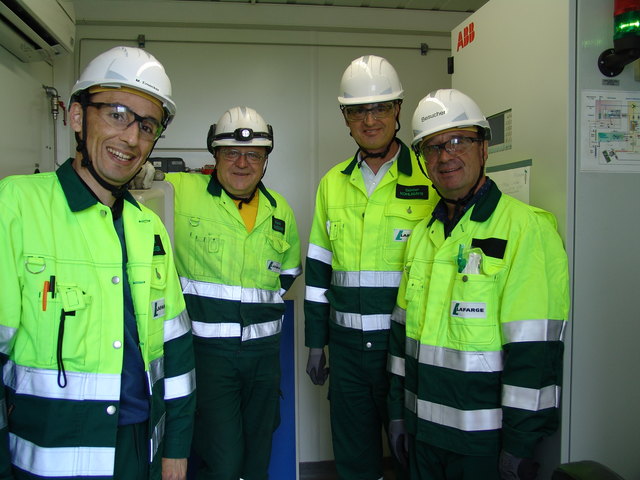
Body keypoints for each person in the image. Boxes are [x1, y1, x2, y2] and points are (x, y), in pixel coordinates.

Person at [0, 46, 196, 479]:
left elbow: (177, 354)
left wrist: (176, 451)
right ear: (75, 116)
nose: (132, 138)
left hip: (138, 452)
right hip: (46, 457)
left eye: (147, 125)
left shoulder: (150, 227)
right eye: (117, 114)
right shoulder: (14, 207)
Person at [387, 88, 570, 480]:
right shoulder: (423, 236)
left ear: (484, 147)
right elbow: (402, 341)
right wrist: (397, 416)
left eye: (458, 140)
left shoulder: (526, 231)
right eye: (431, 147)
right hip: (423, 437)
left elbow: (534, 354)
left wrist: (519, 446)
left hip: (483, 447)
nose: (445, 155)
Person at [304, 55, 438, 480]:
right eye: (357, 110)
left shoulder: (430, 179)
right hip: (346, 353)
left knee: (413, 456)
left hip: (406, 349)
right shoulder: (332, 183)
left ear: (397, 110)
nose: (369, 119)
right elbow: (319, 272)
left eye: (379, 107)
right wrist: (315, 341)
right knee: (354, 457)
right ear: (345, 118)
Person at [165, 106, 301, 480]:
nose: (243, 163)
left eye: (253, 154)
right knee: (222, 461)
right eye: (231, 153)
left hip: (263, 358)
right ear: (215, 155)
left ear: (265, 160)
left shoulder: (280, 212)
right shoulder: (179, 191)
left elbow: (287, 276)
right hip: (208, 357)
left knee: (258, 457)